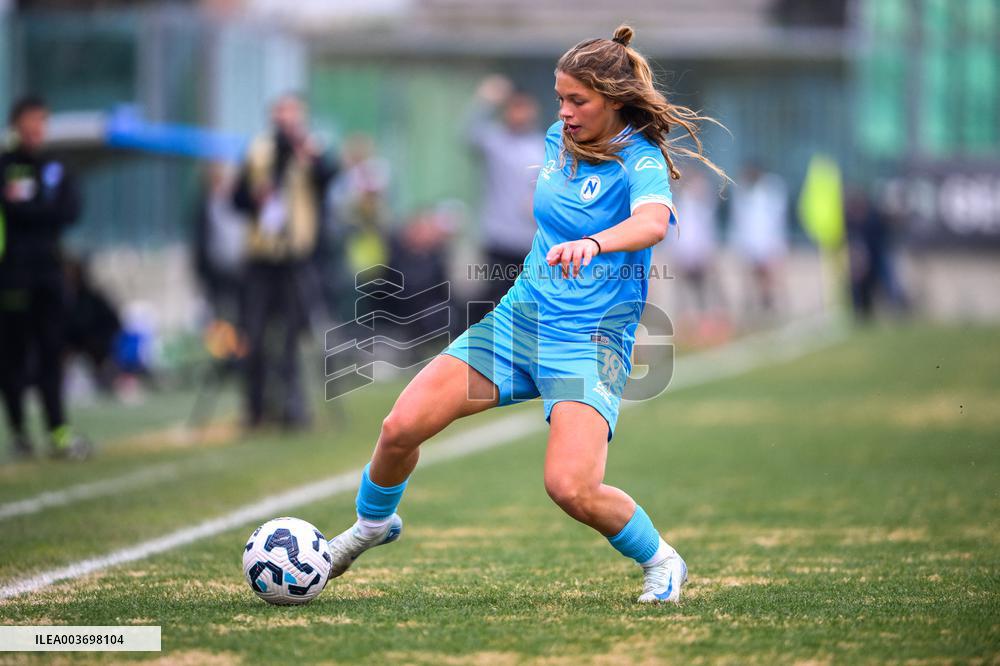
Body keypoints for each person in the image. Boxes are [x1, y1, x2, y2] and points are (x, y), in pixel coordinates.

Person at [325, 25, 725, 603]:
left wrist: (594, 243)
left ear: (613, 100)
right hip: (518, 323)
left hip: (586, 343)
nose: (563, 112)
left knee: (571, 487)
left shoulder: (639, 159)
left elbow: (653, 222)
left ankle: (662, 561)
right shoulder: (554, 139)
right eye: (559, 98)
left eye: (577, 101)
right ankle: (371, 525)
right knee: (398, 428)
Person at [232, 93, 337, 431]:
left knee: (294, 333)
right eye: (281, 114)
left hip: (296, 255)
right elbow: (236, 199)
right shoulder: (257, 150)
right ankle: (256, 408)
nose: (287, 121)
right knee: (255, 332)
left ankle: (293, 406)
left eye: (293, 114)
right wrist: (255, 197)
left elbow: (327, 179)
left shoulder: (309, 149)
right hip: (261, 255)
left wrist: (305, 155)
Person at [0, 95, 92, 460]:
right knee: (13, 356)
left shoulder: (56, 165)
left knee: (52, 352)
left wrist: (33, 208)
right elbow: (16, 211)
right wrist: (41, 209)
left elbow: (70, 210)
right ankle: (20, 433)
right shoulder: (6, 165)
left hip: (50, 274)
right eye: (29, 120)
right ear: (16, 123)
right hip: (11, 276)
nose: (36, 127)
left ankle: (58, 431)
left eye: (41, 120)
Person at [464, 75, 545, 308]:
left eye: (524, 108)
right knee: (496, 298)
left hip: (532, 239)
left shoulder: (542, 146)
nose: (519, 114)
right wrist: (485, 100)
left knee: (530, 300)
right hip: (499, 236)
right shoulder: (495, 141)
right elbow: (467, 132)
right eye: (514, 108)